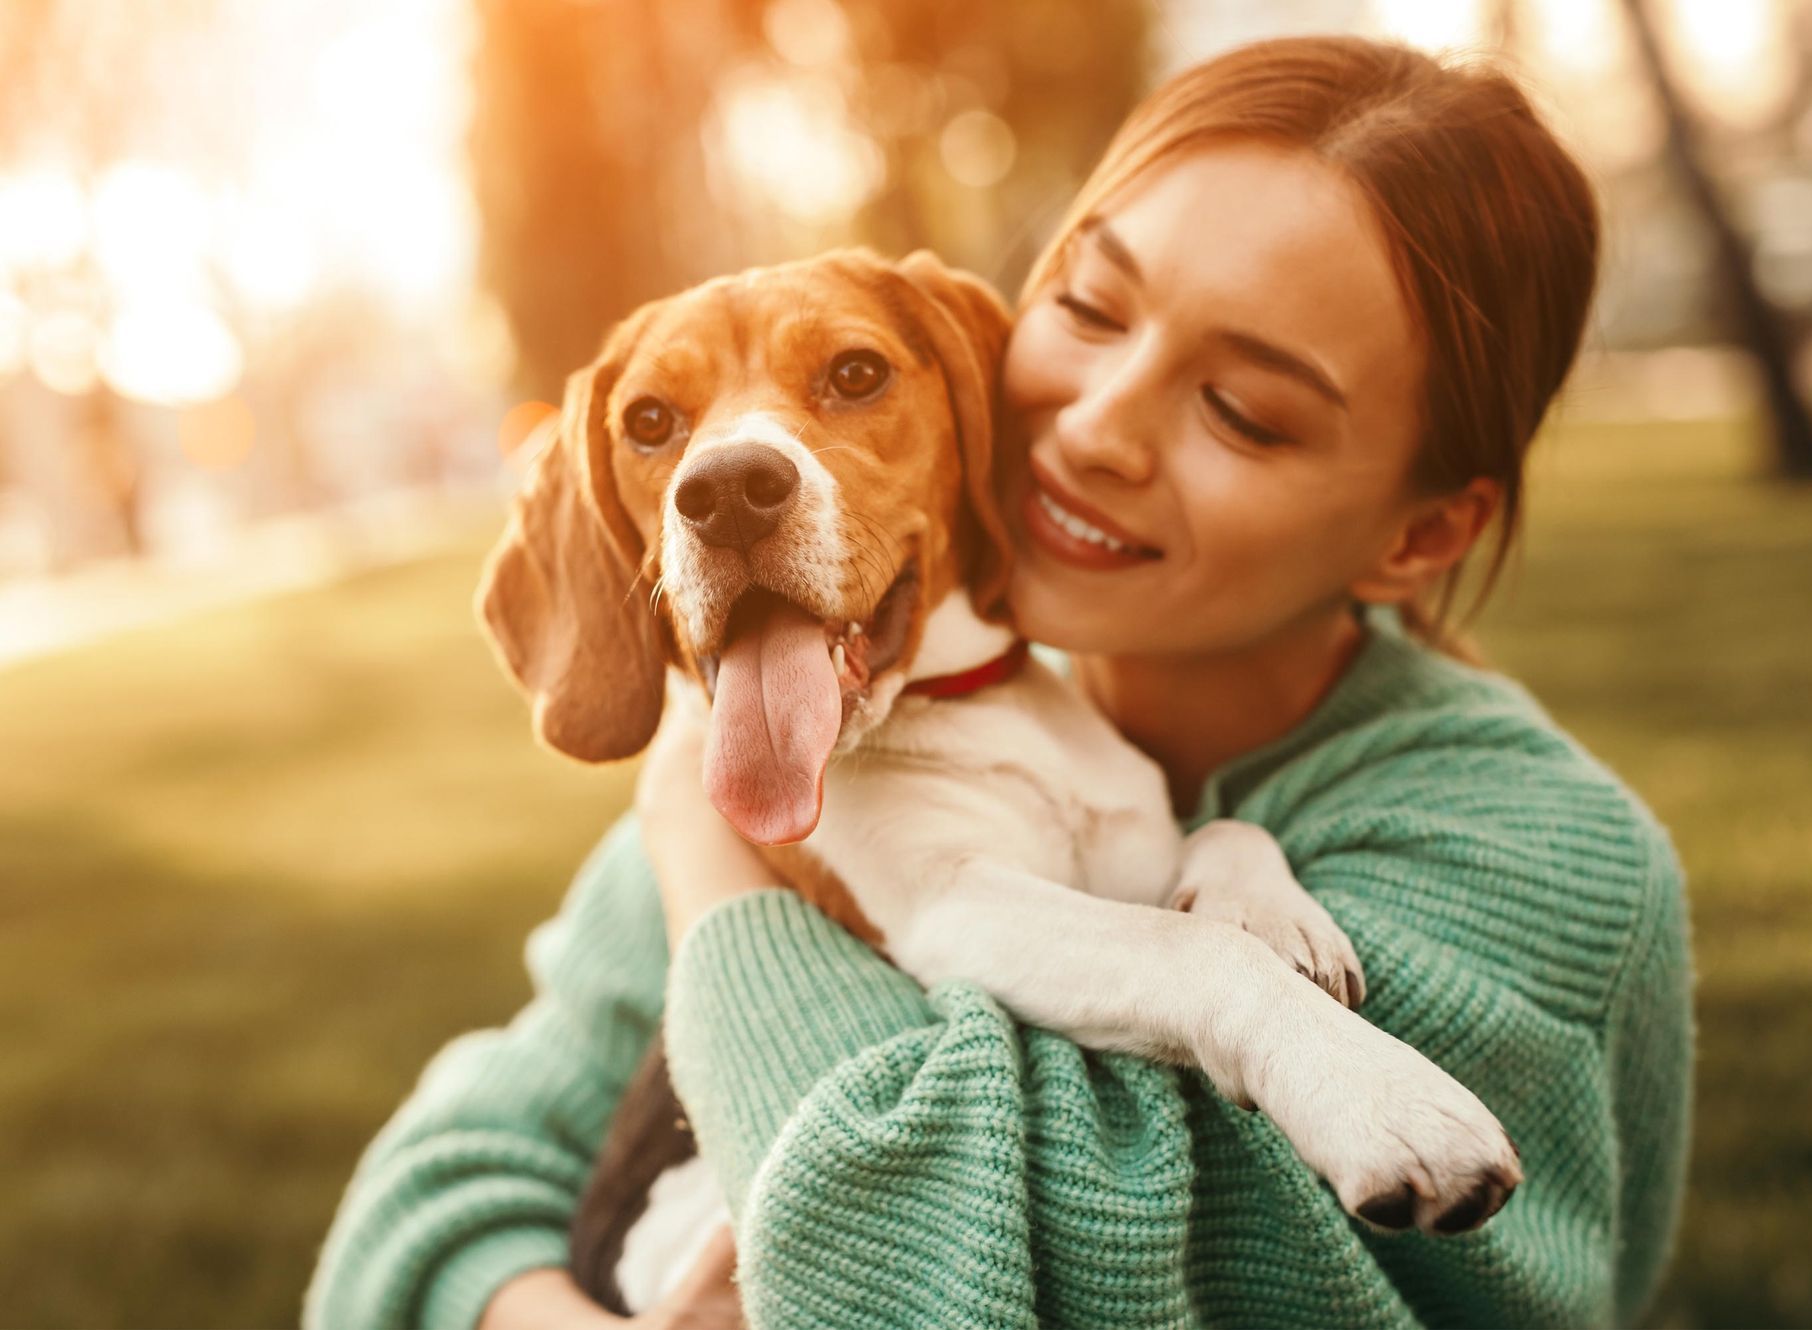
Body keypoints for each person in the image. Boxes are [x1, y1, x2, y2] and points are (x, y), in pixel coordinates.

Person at [307, 35, 1691, 1330]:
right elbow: (429, 1197)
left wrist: (712, 868)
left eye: (1244, 409)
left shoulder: (1527, 862)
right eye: (1089, 307)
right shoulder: (786, 731)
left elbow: (922, 1281)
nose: (1094, 429)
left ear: (1420, 533)